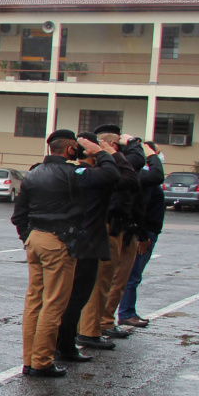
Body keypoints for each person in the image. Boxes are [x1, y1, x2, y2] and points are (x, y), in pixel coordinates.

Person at [10, 129, 110, 378]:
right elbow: (111, 176)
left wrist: (28, 237)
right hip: (59, 240)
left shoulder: (33, 174)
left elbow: (19, 215)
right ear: (70, 150)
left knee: (35, 301)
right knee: (54, 303)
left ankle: (29, 359)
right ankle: (42, 361)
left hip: (36, 238)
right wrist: (101, 152)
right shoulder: (73, 173)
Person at [54, 132, 129, 363]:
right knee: (76, 298)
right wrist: (106, 153)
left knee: (54, 299)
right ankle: (63, 348)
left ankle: (47, 351)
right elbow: (126, 178)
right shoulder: (92, 175)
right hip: (86, 242)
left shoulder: (52, 171)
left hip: (62, 239)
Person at [77, 125, 145, 349]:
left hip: (83, 231)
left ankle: (82, 330)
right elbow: (131, 177)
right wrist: (109, 153)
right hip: (102, 229)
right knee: (100, 282)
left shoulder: (73, 171)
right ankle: (89, 331)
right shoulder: (100, 174)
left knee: (90, 283)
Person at [117, 141, 165, 328]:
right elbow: (140, 209)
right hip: (142, 232)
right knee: (132, 274)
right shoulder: (143, 177)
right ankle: (126, 312)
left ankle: (126, 311)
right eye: (155, 154)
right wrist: (143, 236)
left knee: (131, 274)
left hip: (146, 231)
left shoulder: (141, 176)